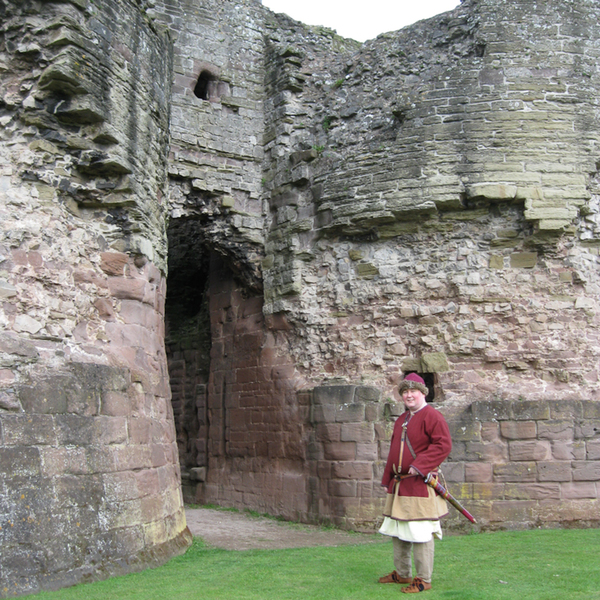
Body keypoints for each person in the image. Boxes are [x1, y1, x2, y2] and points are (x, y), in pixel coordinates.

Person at [378, 373, 452, 593]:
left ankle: (423, 579)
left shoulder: (432, 416)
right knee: (398, 530)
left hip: (419, 484)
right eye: (405, 392)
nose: (409, 395)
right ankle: (402, 574)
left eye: (413, 391)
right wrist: (387, 479)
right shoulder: (402, 419)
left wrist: (420, 465)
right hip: (399, 485)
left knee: (420, 532)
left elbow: (443, 445)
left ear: (422, 393)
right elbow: (393, 453)